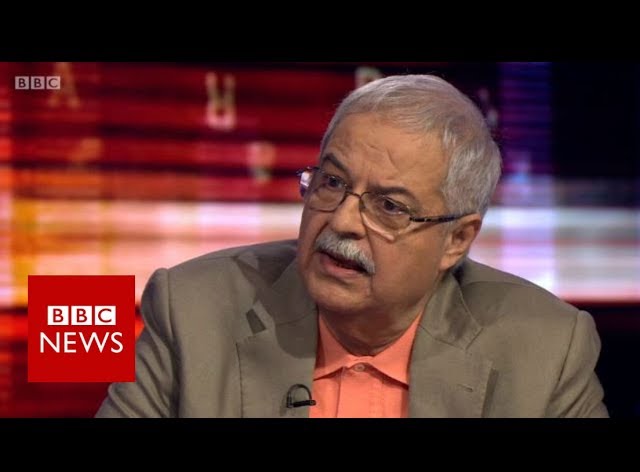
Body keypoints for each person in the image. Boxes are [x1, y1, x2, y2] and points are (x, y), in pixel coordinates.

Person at [95, 74, 608, 418]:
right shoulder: (189, 310)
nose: (342, 221)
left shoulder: (547, 349)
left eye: (390, 207)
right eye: (333, 183)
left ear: (456, 240)